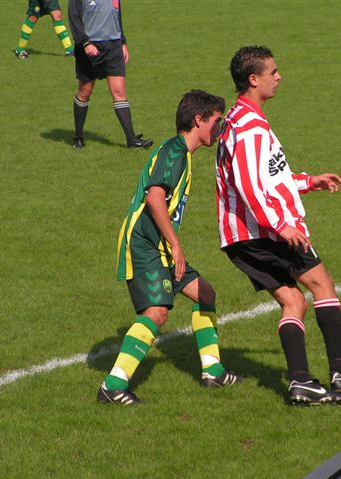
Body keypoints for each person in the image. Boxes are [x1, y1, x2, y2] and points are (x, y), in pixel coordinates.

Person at [215, 46, 341, 406]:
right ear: (253, 79)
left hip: (241, 234)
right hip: (264, 231)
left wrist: (308, 181)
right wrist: (280, 225)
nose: (278, 76)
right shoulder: (249, 127)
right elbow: (248, 183)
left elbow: (270, 176)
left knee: (293, 301)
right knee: (322, 283)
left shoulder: (241, 119)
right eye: (272, 71)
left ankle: (301, 382)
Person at [98, 90, 241, 405]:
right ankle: (112, 385)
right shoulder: (175, 152)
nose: (218, 129)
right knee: (157, 313)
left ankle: (212, 372)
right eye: (216, 121)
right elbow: (154, 197)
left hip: (161, 244)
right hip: (145, 243)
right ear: (198, 120)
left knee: (205, 294)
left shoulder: (182, 155)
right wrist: (176, 244)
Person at [68, 0, 152, 149]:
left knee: (119, 91)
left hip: (113, 47)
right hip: (89, 47)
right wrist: (85, 43)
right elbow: (74, 17)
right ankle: (78, 137)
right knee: (85, 92)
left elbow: (116, 14)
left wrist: (122, 41)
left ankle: (132, 140)